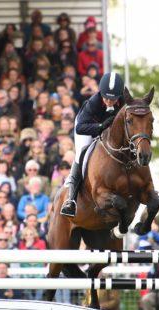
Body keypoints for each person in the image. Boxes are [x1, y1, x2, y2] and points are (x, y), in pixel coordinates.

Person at [59, 71, 124, 217]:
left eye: (113, 99)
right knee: (82, 152)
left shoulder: (125, 100)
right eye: (106, 98)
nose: (109, 102)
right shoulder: (93, 103)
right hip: (88, 127)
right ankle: (71, 199)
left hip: (110, 132)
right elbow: (80, 128)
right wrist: (101, 127)